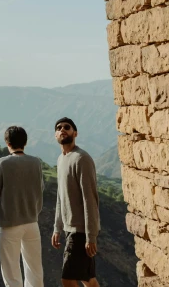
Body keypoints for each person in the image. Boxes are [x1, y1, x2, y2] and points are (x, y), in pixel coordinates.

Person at [0, 126, 45, 287]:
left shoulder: (3, 163)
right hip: (32, 221)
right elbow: (40, 189)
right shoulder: (36, 162)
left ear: (7, 142)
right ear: (25, 142)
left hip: (10, 223)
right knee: (34, 269)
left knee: (11, 272)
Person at [51, 117, 100, 287]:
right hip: (68, 228)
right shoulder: (61, 159)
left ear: (75, 133)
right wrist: (57, 227)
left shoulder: (81, 159)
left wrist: (91, 235)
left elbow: (90, 198)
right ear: (55, 135)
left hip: (80, 231)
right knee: (87, 278)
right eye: (58, 128)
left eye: (67, 127)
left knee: (67, 277)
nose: (62, 129)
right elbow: (60, 196)